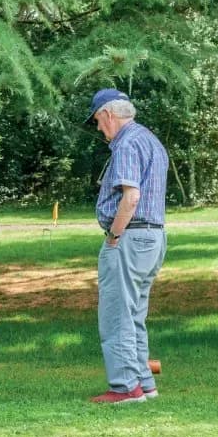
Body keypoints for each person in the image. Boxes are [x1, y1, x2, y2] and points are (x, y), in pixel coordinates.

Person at [86, 88, 168, 403]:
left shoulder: (128, 144)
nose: (98, 128)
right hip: (153, 236)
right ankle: (145, 384)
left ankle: (124, 388)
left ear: (108, 114)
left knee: (116, 313)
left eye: (97, 120)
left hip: (130, 237)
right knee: (134, 313)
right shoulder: (150, 139)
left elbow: (130, 196)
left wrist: (114, 236)